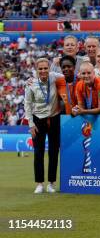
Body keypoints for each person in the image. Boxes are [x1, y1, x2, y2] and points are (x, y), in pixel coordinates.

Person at [25, 58, 61, 194]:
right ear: (36, 70)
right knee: (38, 153)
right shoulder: (31, 83)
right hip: (38, 119)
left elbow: (68, 77)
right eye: (40, 69)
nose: (43, 71)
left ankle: (51, 183)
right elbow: (27, 104)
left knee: (54, 151)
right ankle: (39, 184)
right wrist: (31, 124)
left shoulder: (54, 77)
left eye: (45, 68)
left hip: (54, 118)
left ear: (49, 68)